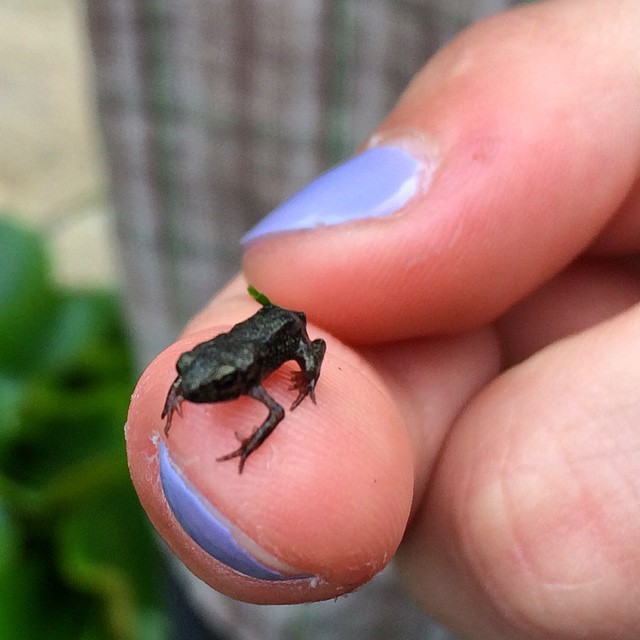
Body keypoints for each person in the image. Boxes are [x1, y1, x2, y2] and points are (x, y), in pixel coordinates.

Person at [91, 0, 640, 638]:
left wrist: (295, 388)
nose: (197, 385)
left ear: (235, 380)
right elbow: (196, 364)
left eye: (211, 385)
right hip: (220, 580)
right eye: (198, 379)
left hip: (283, 332)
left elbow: (271, 405)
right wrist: (189, 383)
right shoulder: (205, 369)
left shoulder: (254, 381)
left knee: (308, 362)